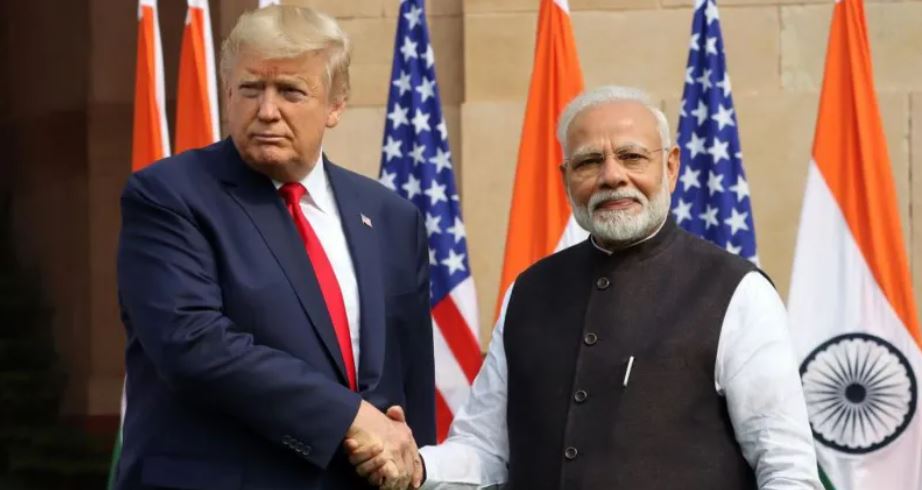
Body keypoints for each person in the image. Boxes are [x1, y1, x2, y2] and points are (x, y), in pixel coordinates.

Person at [347, 85, 822, 489]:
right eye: (590, 162)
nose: (613, 175)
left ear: (672, 166)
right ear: (566, 178)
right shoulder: (530, 292)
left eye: (633, 156)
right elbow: (485, 448)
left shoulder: (736, 292)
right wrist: (417, 463)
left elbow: (786, 466)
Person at [115, 5, 433, 489]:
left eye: (290, 91)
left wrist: (415, 468)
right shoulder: (169, 196)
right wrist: (350, 417)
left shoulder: (392, 218)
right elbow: (193, 343)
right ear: (227, 94)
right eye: (250, 89)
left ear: (336, 104)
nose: (267, 110)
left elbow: (408, 384)